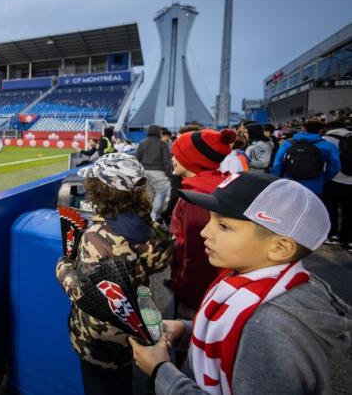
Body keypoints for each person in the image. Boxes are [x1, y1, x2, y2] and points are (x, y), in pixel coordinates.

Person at [129, 172, 352, 395]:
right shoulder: (254, 279)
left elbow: (250, 343)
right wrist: (185, 329)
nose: (205, 232)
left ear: (279, 248)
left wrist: (161, 372)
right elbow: (231, 340)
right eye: (210, 219)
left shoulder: (267, 329)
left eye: (224, 226)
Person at [56, 153, 174, 395]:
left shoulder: (97, 237)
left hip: (100, 341)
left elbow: (85, 292)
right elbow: (158, 261)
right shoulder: (153, 227)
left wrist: (63, 267)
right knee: (121, 384)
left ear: (100, 191)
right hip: (133, 331)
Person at [169, 128, 235, 319]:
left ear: (191, 160)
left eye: (177, 154)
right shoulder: (216, 185)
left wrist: (190, 300)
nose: (172, 157)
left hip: (198, 292)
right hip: (214, 286)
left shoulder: (196, 197)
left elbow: (196, 254)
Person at [270, 120, 340, 196]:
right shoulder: (329, 145)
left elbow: (277, 165)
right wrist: (323, 179)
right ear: (320, 130)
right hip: (315, 186)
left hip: (290, 184)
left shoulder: (287, 144)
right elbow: (335, 167)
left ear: (303, 129)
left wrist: (275, 181)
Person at [322, 120, 352, 250]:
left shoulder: (326, 139)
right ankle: (348, 239)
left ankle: (333, 235)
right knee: (349, 212)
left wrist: (327, 176)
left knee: (331, 209)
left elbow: (325, 162)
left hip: (333, 180)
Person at [136, 124, 173, 221]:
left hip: (144, 172)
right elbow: (167, 161)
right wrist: (169, 175)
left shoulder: (142, 143)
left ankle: (145, 214)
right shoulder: (163, 144)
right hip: (159, 172)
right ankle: (154, 215)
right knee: (161, 192)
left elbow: (136, 159)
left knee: (148, 193)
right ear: (158, 132)